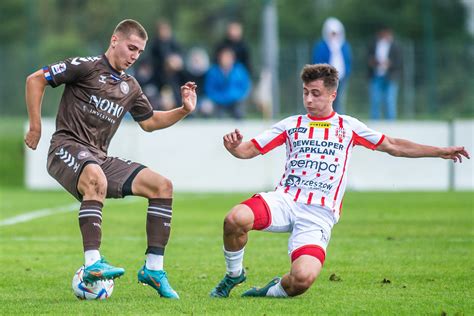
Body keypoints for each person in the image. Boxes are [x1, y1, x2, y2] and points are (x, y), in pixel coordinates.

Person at [209, 64, 469, 298]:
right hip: (285, 200)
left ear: (332, 95)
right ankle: (234, 275)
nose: (308, 99)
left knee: (301, 280)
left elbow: (393, 145)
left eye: (315, 93)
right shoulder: (291, 125)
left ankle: (268, 291)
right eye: (305, 92)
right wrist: (234, 148)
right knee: (235, 219)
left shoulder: (348, 127)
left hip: (319, 214)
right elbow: (248, 150)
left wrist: (441, 151)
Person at [24, 19, 197, 299]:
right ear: (114, 40)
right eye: (131, 48)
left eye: (139, 52)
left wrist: (183, 110)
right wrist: (35, 126)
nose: (134, 56)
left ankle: (153, 270)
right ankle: (93, 264)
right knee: (96, 178)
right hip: (66, 147)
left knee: (162, 186)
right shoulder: (86, 66)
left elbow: (150, 121)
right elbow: (35, 80)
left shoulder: (130, 86)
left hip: (98, 157)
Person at [312, 17, 352, 114]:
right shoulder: (321, 46)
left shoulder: (344, 46)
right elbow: (317, 61)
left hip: (341, 78)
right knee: (326, 99)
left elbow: (348, 61)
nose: (334, 35)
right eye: (332, 33)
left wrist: (346, 72)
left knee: (339, 99)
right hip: (326, 78)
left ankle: (338, 118)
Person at [205, 46, 251, 120]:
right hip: (218, 101)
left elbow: (245, 87)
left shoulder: (240, 70)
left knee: (239, 112)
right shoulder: (213, 71)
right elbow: (209, 89)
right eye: (224, 57)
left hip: (236, 100)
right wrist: (219, 98)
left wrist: (236, 96)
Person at [368, 27, 402, 120]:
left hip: (390, 77)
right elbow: (368, 58)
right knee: (375, 100)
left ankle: (391, 122)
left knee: (389, 100)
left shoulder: (395, 46)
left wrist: (390, 63)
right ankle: (375, 122)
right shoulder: (374, 44)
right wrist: (374, 62)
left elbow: (399, 62)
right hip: (376, 76)